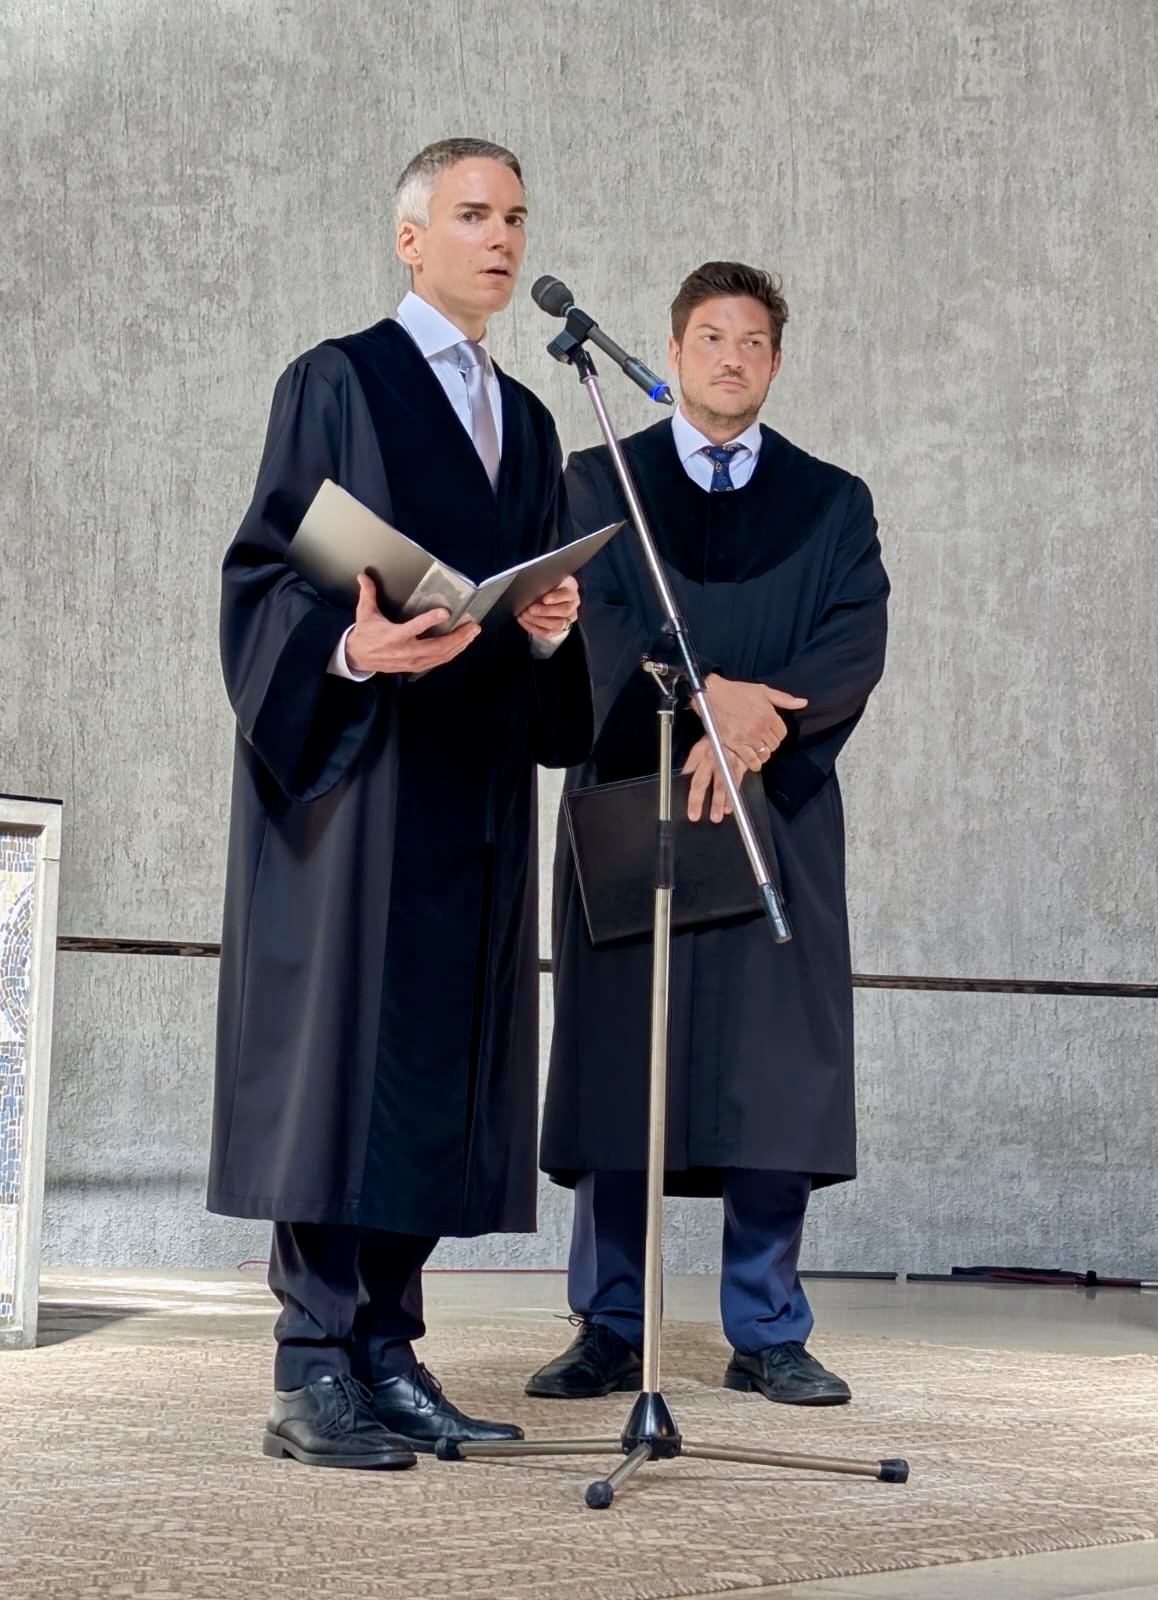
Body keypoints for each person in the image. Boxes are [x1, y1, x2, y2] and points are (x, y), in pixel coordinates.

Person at [208, 137, 591, 1469]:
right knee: (345, 1065)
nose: (501, 239)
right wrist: (349, 649)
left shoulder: (532, 424)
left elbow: (539, 637)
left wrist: (549, 628)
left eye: (517, 218)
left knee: (439, 1063)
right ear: (411, 240)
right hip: (356, 785)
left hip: (470, 791)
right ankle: (311, 1363)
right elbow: (271, 567)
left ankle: (386, 1346)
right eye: (473, 215)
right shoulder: (341, 380)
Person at [531, 261, 889, 1407]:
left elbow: (850, 645)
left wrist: (746, 732)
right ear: (673, 353)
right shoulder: (599, 482)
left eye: (751, 343)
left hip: (769, 810)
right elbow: (599, 628)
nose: (729, 358)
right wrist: (704, 707)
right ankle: (610, 1321)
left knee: (769, 1074)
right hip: (634, 796)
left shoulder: (832, 501)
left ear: (774, 365)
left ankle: (768, 1325)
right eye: (708, 337)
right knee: (621, 1063)